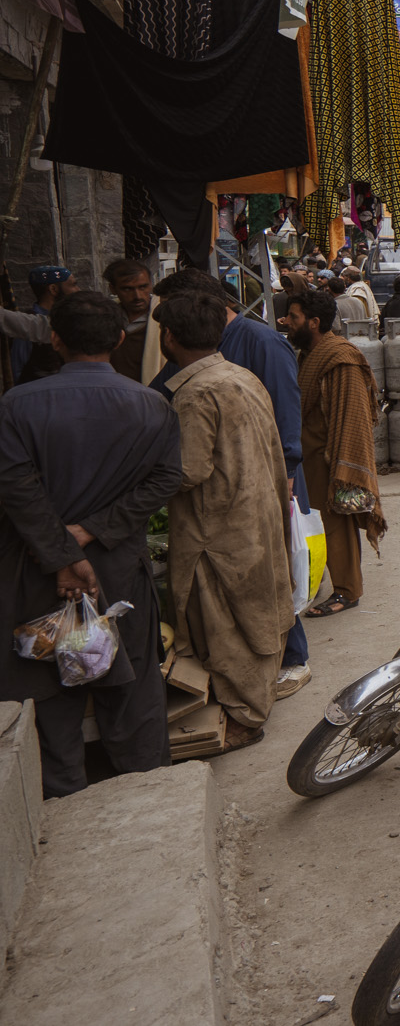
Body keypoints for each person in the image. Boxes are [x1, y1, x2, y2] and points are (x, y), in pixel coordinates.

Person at [0, 291, 182, 797]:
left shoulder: (16, 404)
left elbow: (16, 488)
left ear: (54, 339)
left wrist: (63, 550)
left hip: (37, 575)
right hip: (116, 572)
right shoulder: (152, 405)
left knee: (46, 691)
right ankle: (147, 795)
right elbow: (166, 480)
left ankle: (61, 801)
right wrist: (94, 531)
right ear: (120, 339)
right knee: (129, 686)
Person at [153, 269, 313, 694]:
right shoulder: (195, 352)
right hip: (231, 483)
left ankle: (291, 658)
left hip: (267, 475)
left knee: (270, 568)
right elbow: (159, 397)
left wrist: (290, 476)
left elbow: (285, 414)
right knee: (251, 577)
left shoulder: (261, 342)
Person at [285, 289, 386, 615]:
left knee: (335, 524)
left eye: (294, 317)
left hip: (330, 459)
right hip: (308, 459)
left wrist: (344, 465)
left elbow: (352, 416)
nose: (287, 322)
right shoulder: (310, 354)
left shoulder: (341, 358)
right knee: (315, 526)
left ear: (314, 322)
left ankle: (347, 591)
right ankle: (321, 582)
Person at [0, 264, 78, 384]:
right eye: (73, 285)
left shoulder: (70, 319)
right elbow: (17, 371)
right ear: (53, 289)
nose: (78, 290)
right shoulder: (27, 328)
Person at [102, 258, 153, 381]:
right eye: (127, 289)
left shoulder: (163, 319)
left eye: (143, 287)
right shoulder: (105, 319)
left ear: (151, 285)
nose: (137, 296)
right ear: (113, 289)